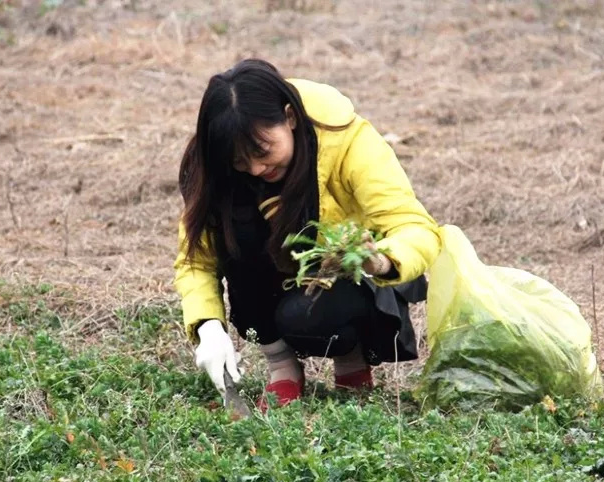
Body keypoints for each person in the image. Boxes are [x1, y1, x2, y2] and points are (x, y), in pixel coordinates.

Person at [173, 58, 441, 409]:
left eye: (263, 151)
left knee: (307, 317)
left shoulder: (346, 140)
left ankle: (352, 357)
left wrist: (381, 259)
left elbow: (415, 226)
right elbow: (197, 259)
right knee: (233, 231)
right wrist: (207, 326)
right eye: (239, 161)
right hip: (271, 276)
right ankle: (281, 364)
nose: (255, 168)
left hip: (350, 278)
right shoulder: (214, 165)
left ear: (290, 117)